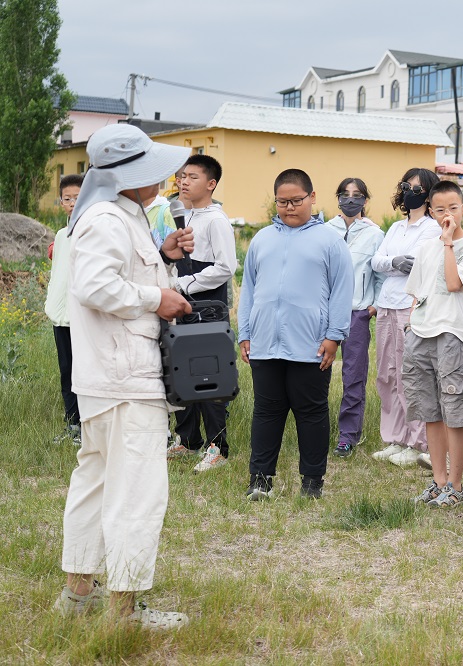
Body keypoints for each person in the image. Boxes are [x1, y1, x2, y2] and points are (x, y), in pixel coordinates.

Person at [53, 123, 194, 628]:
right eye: (148, 171)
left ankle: (77, 597)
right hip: (123, 377)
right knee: (136, 492)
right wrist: (158, 298)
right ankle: (123, 612)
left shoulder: (120, 215)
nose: (158, 181)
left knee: (95, 482)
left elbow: (121, 277)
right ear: (124, 175)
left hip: (110, 377)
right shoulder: (108, 219)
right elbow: (96, 286)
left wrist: (165, 260)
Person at [238, 169, 353, 500]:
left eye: (296, 200)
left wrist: (334, 335)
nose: (289, 207)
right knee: (266, 412)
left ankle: (312, 482)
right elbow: (249, 289)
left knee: (312, 413)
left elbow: (342, 291)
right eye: (282, 202)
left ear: (312, 198)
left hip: (311, 345)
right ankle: (260, 480)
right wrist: (244, 332)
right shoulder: (261, 240)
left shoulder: (330, 241)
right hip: (265, 343)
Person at [404, 180, 463, 507]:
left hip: (451, 336)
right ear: (431, 211)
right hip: (420, 335)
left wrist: (449, 242)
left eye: (453, 208)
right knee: (430, 412)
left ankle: (456, 484)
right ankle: (438, 482)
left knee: (454, 413)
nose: (447, 214)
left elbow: (454, 284)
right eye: (440, 210)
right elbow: (416, 293)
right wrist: (411, 328)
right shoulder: (425, 247)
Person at [166, 155, 238, 473]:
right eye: (181, 176)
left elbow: (225, 267)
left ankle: (217, 446)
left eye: (192, 177)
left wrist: (184, 285)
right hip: (181, 306)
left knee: (209, 377)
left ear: (210, 184)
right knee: (180, 371)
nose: (183, 182)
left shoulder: (216, 220)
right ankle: (188, 439)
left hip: (207, 308)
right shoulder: (182, 216)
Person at [370, 168, 441, 467]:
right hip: (385, 304)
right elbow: (377, 261)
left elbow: (418, 264)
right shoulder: (396, 229)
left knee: (409, 375)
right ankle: (395, 438)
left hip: (409, 306)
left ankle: (417, 441)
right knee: (386, 374)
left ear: (428, 194)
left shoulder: (431, 228)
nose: (410, 191)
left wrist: (394, 263)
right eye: (406, 186)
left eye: (417, 188)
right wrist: (393, 262)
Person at [326, 178, 385, 458]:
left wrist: (372, 308)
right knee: (317, 372)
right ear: (337, 198)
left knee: (353, 376)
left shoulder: (375, 234)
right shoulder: (324, 230)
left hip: (357, 314)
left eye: (357, 195)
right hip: (325, 314)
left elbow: (382, 276)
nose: (351, 200)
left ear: (365, 200)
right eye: (345, 194)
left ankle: (348, 436)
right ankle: (315, 429)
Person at [45, 174, 84, 445]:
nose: (72, 203)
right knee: (67, 371)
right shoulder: (61, 235)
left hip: (82, 316)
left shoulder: (91, 232)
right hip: (61, 315)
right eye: (67, 199)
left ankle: (87, 428)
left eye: (78, 198)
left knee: (85, 374)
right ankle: (72, 426)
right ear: (61, 202)